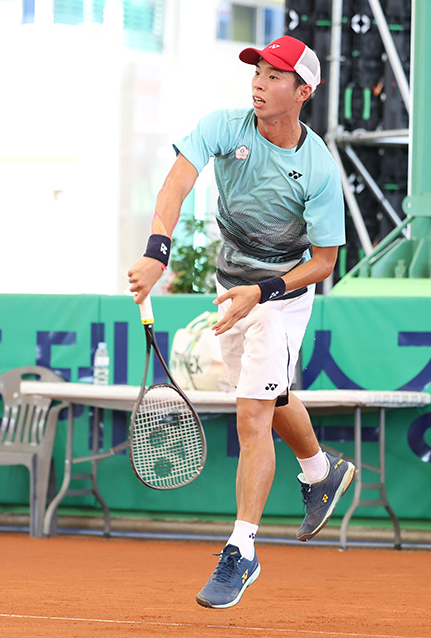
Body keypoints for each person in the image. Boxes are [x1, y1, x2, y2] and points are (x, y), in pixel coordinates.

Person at [127, 35, 354, 609]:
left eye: (275, 76)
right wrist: (157, 251)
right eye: (257, 71)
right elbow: (177, 182)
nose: (259, 83)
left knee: (252, 413)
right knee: (270, 397)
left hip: (281, 295)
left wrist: (264, 291)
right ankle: (320, 470)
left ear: (302, 92)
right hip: (231, 289)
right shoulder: (226, 127)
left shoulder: (318, 169)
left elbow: (324, 262)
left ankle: (242, 550)